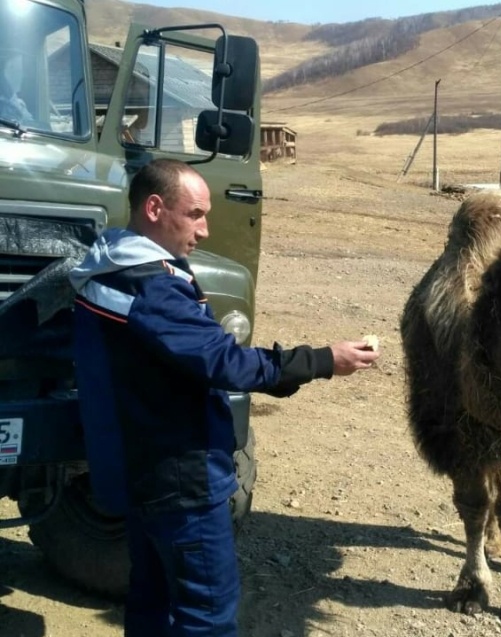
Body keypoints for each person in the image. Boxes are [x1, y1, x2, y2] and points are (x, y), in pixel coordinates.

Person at [68, 158, 379, 637]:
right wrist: (321, 360)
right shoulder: (153, 289)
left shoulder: (105, 266)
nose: (206, 230)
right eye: (195, 213)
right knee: (206, 615)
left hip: (137, 472)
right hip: (182, 482)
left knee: (150, 601)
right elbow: (226, 363)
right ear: (154, 208)